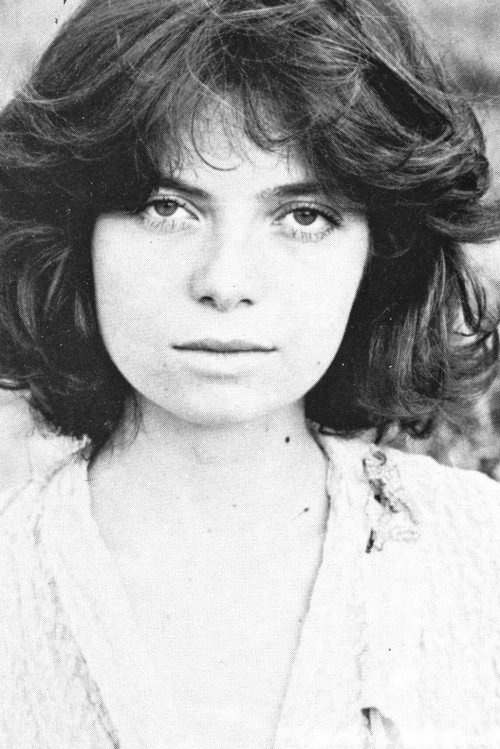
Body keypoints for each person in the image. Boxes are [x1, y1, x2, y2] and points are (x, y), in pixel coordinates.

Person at [0, 0, 499, 747]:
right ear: (73, 236)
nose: (225, 281)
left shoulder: (481, 555)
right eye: (166, 207)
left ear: (379, 257)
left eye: (303, 216)